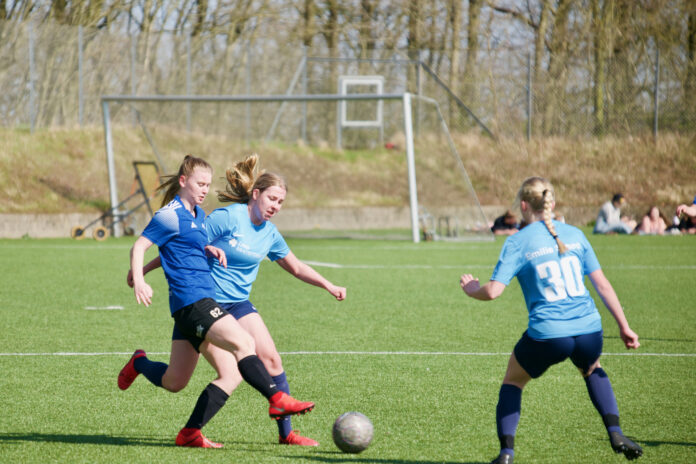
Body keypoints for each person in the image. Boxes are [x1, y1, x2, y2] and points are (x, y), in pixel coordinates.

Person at [119, 154, 315, 449]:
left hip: (196, 303)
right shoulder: (169, 214)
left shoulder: (198, 215)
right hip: (193, 301)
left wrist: (209, 249)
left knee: (178, 381)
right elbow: (139, 246)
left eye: (208, 185)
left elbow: (187, 247)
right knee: (244, 344)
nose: (205, 190)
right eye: (200, 184)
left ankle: (154, 383)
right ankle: (277, 399)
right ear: (183, 181)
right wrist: (140, 276)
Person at [460, 177, 642, 464]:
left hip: (549, 334)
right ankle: (616, 433)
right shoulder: (576, 234)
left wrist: (472, 290)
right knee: (592, 368)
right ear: (552, 203)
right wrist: (624, 326)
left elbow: (493, 291)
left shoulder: (517, 241)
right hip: (589, 329)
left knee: (513, 381)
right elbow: (603, 285)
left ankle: (506, 453)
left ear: (523, 206)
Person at [203, 153, 347, 446]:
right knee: (175, 380)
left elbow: (296, 267)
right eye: (272, 199)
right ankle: (141, 365)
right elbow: (189, 242)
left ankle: (287, 434)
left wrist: (328, 285)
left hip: (238, 303)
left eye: (280, 202)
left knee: (271, 359)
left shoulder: (269, 234)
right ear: (256, 194)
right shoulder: (228, 217)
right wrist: (145, 269)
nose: (275, 206)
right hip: (205, 304)